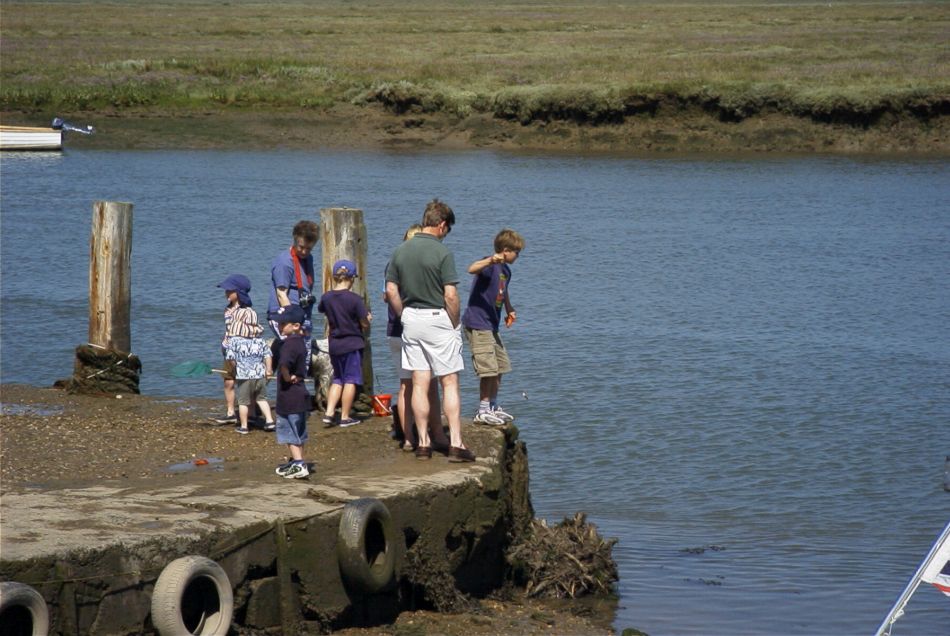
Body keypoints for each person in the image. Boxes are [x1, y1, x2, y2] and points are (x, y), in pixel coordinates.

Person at [385, 199, 475, 462]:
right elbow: (450, 294)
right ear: (442, 225)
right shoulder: (442, 253)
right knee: (449, 381)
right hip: (438, 317)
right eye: (447, 230)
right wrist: (455, 321)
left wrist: (404, 314)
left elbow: (391, 290)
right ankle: (456, 444)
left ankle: (423, 443)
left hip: (411, 319)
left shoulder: (400, 251)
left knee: (419, 382)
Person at [384, 224, 448, 452]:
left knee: (406, 386)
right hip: (415, 328)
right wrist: (406, 315)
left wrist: (400, 314)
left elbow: (390, 293)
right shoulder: (423, 264)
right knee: (428, 384)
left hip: (395, 330)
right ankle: (435, 434)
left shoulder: (395, 261)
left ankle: (410, 437)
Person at [461, 229, 524, 425]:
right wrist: (490, 260)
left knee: (500, 366)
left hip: (492, 325)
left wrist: (509, 308)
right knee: (487, 369)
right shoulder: (490, 265)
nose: (518, 256)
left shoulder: (506, 271)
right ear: (505, 250)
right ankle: (482, 409)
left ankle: (493, 405)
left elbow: (503, 291)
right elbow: (471, 269)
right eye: (516, 252)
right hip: (478, 324)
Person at [318, 259, 372, 428]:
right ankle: (345, 416)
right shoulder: (355, 299)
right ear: (351, 278)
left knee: (338, 379)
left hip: (334, 343)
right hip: (352, 343)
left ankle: (329, 413)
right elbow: (364, 323)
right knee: (350, 380)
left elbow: (322, 309)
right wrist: (367, 319)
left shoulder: (327, 298)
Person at [267, 220, 319, 371]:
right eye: (301, 247)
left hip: (303, 316)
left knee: (304, 359)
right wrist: (292, 321)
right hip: (285, 318)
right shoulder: (284, 262)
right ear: (295, 239)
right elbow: (281, 293)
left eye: (309, 249)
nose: (304, 252)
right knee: (294, 354)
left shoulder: (309, 259)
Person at [272, 304, 311, 479]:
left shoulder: (288, 345)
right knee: (299, 431)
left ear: (296, 325)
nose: (280, 327)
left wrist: (287, 377)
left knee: (290, 431)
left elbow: (284, 364)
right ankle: (297, 460)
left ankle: (299, 464)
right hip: (301, 394)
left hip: (289, 396)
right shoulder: (301, 342)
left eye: (283, 324)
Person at [224, 307, 276, 434]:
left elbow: (230, 358)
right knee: (261, 399)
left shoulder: (234, 341)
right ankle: (269, 421)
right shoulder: (260, 340)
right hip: (260, 375)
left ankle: (244, 426)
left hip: (244, 376)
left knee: (243, 402)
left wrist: (235, 367)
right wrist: (268, 370)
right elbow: (268, 355)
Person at [215, 274, 253, 424]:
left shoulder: (247, 311)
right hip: (228, 350)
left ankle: (251, 412)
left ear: (239, 292)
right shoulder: (227, 309)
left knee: (246, 383)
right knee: (228, 381)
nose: (226, 293)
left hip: (243, 351)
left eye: (229, 290)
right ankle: (230, 411)